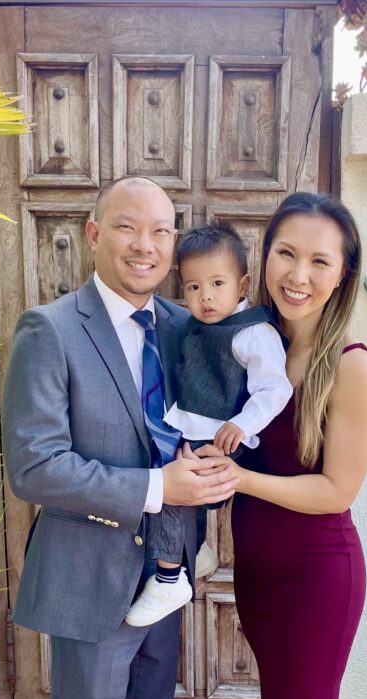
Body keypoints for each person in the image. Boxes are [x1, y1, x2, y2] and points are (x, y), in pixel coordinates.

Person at [2, 176, 239, 699]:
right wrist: (155, 489)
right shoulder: (50, 331)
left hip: (166, 576)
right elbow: (34, 465)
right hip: (91, 582)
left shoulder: (185, 325)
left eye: (163, 232)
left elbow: (212, 414)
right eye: (130, 228)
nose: (147, 245)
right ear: (94, 232)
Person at [206, 192, 367, 699]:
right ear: (264, 257)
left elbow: (336, 492)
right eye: (286, 253)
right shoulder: (258, 346)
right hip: (264, 581)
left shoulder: (351, 366)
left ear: (343, 276)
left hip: (317, 583)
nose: (298, 274)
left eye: (320, 260)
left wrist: (237, 480)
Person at [125, 221, 293, 628]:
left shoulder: (253, 333)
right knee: (160, 473)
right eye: (193, 287)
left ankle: (169, 576)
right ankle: (194, 548)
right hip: (190, 424)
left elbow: (276, 388)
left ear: (243, 284)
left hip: (220, 435)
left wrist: (243, 423)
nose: (205, 297)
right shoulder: (196, 324)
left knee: (167, 488)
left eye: (217, 283)